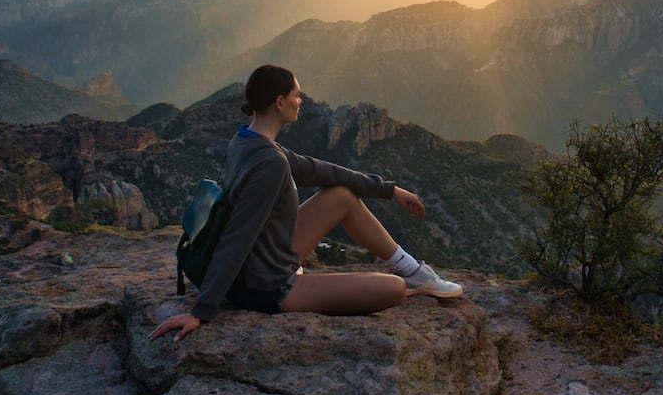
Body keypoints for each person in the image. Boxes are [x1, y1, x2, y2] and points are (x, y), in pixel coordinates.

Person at [150, 64, 462, 342]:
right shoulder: (270, 162)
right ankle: (406, 279)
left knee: (340, 196)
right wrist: (201, 311)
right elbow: (237, 236)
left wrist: (391, 191)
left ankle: (413, 271)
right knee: (393, 290)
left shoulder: (246, 141)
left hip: (266, 258)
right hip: (265, 286)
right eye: (297, 95)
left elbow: (320, 170)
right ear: (280, 102)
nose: (302, 101)